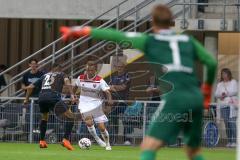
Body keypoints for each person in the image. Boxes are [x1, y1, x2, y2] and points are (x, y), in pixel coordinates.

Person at [60, 4, 217, 160]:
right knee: (193, 151)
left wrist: (82, 30)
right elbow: (211, 63)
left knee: (148, 146)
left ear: (153, 22)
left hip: (175, 98)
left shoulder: (150, 41)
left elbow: (115, 35)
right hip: (196, 97)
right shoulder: (188, 40)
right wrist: (207, 90)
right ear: (172, 21)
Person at [24, 63, 76, 150]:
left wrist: (26, 99)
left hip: (42, 98)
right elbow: (68, 83)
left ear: (51, 69)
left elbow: (30, 87)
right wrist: (72, 95)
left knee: (44, 118)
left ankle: (42, 141)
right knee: (71, 116)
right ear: (59, 68)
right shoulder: (62, 74)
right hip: (53, 96)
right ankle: (66, 140)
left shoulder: (44, 76)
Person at [73, 61, 113, 150]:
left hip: (96, 105)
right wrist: (73, 96)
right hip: (84, 104)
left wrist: (110, 99)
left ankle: (107, 144)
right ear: (86, 70)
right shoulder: (81, 78)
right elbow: (74, 87)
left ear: (95, 71)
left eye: (91, 70)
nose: (89, 72)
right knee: (89, 122)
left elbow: (107, 91)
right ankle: (97, 139)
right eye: (88, 70)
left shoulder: (100, 80)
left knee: (102, 127)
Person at [108, 61, 131, 145]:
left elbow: (124, 87)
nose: (119, 68)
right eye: (118, 67)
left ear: (124, 67)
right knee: (113, 120)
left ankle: (127, 139)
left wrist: (114, 87)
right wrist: (114, 87)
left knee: (126, 120)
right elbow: (108, 87)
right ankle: (114, 140)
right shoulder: (113, 77)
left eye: (121, 67)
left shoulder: (127, 76)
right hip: (114, 102)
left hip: (124, 102)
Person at [215, 68, 238, 148]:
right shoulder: (220, 84)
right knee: (227, 124)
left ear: (229, 74)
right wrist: (221, 95)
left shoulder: (233, 82)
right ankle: (229, 141)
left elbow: (235, 91)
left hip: (232, 105)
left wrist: (225, 94)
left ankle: (234, 141)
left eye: (225, 74)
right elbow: (216, 94)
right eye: (222, 74)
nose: (224, 75)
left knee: (232, 123)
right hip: (223, 105)